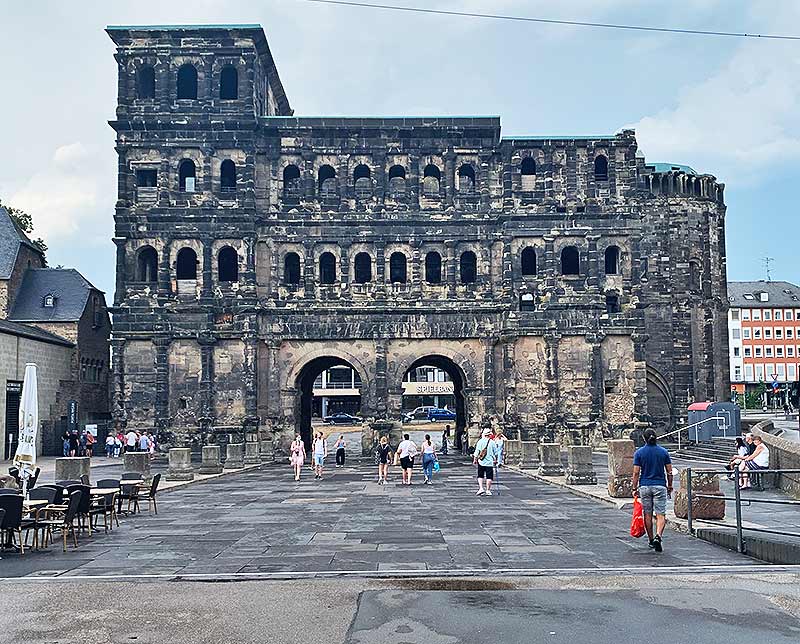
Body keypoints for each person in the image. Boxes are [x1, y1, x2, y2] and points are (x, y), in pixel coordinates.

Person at [632, 428, 673, 553]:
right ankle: (658, 536)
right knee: (661, 514)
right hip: (660, 485)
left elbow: (636, 472)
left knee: (647, 514)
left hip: (645, 485)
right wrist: (670, 485)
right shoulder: (663, 452)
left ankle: (651, 540)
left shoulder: (639, 453)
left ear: (644, 439)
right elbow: (669, 472)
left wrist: (634, 488)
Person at [473, 428, 499, 496]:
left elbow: (477, 452)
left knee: (480, 475)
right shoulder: (492, 442)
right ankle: (488, 490)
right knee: (489, 477)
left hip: (481, 461)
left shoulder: (480, 441)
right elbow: (496, 453)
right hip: (489, 462)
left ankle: (481, 488)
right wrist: (495, 460)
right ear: (489, 435)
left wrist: (475, 459)